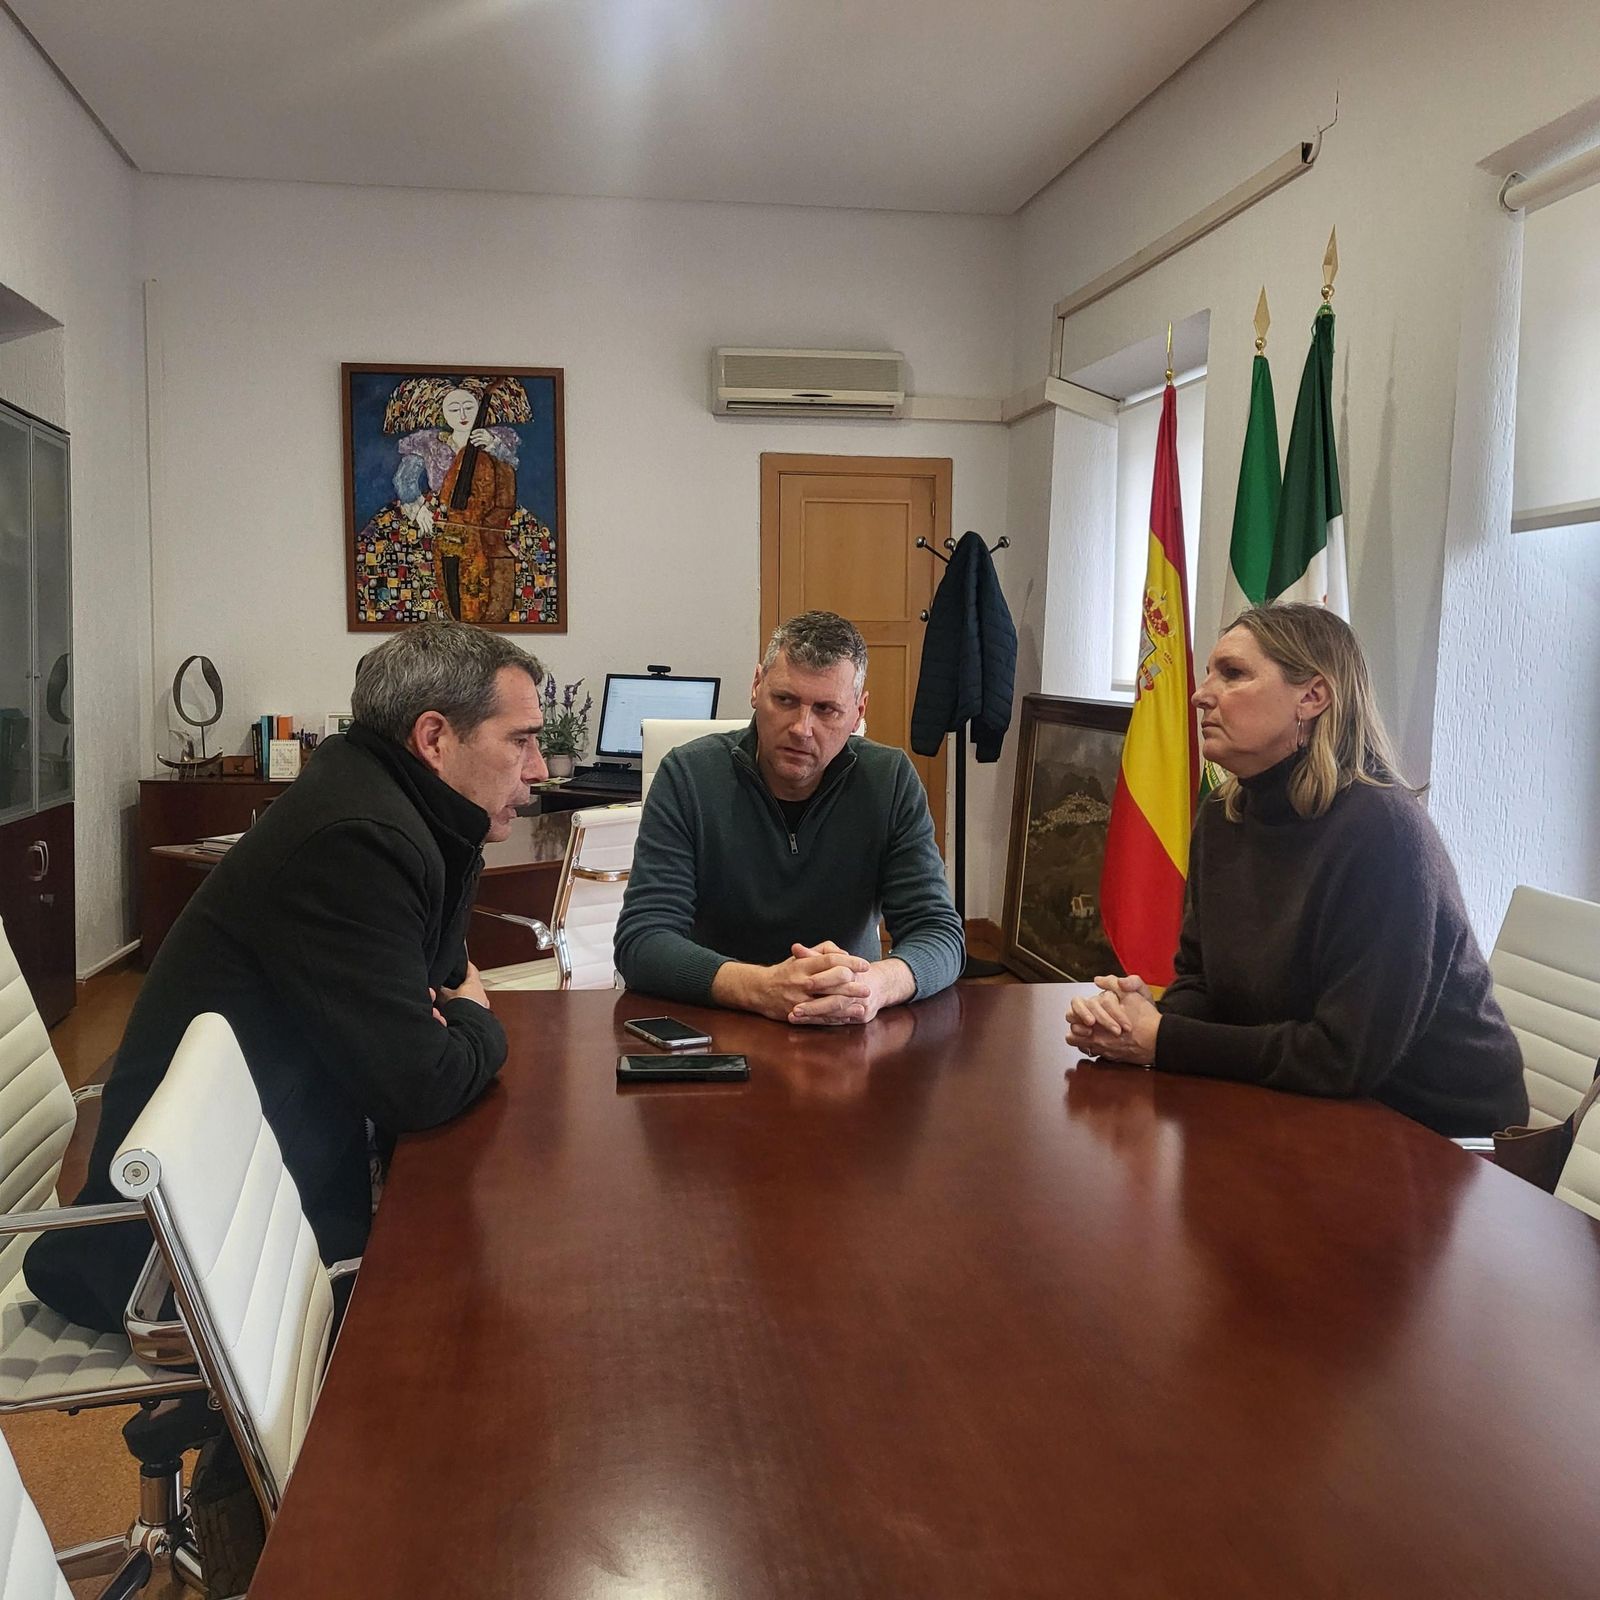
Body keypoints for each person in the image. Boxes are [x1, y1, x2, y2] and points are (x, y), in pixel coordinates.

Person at [26, 620, 548, 1333]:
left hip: (267, 1176)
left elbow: (441, 974)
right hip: (197, 1244)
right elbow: (420, 1082)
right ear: (434, 739)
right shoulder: (359, 838)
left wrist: (452, 1012)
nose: (540, 768)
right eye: (520, 739)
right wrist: (478, 1020)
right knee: (489, 1309)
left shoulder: (392, 804)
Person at [1066, 603, 1527, 1138]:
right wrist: (1139, 1020)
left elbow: (1341, 1056)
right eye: (1210, 672)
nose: (1201, 693)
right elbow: (1202, 982)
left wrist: (1164, 1040)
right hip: (1311, 1106)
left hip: (1439, 1138)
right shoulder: (1223, 814)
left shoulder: (1383, 832)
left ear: (1312, 697)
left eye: (1233, 674)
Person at [615, 611, 965, 1025]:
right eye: (785, 700)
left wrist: (873, 986)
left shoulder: (889, 781)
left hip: (846, 1022)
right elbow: (643, 941)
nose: (802, 728)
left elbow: (939, 934)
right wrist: (763, 987)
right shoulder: (687, 776)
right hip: (718, 1025)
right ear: (756, 686)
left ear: (858, 711)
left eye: (827, 709)